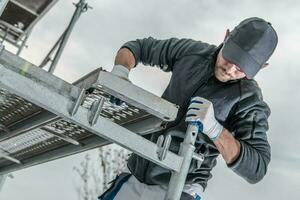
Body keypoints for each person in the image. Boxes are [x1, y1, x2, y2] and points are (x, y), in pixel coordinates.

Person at [98, 17, 278, 200]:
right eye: (231, 56)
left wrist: (215, 130)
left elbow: (257, 167)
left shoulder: (249, 100)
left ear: (261, 67)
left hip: (181, 185)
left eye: (241, 67)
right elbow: (137, 48)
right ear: (226, 37)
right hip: (135, 172)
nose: (230, 69)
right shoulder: (192, 53)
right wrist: (120, 73)